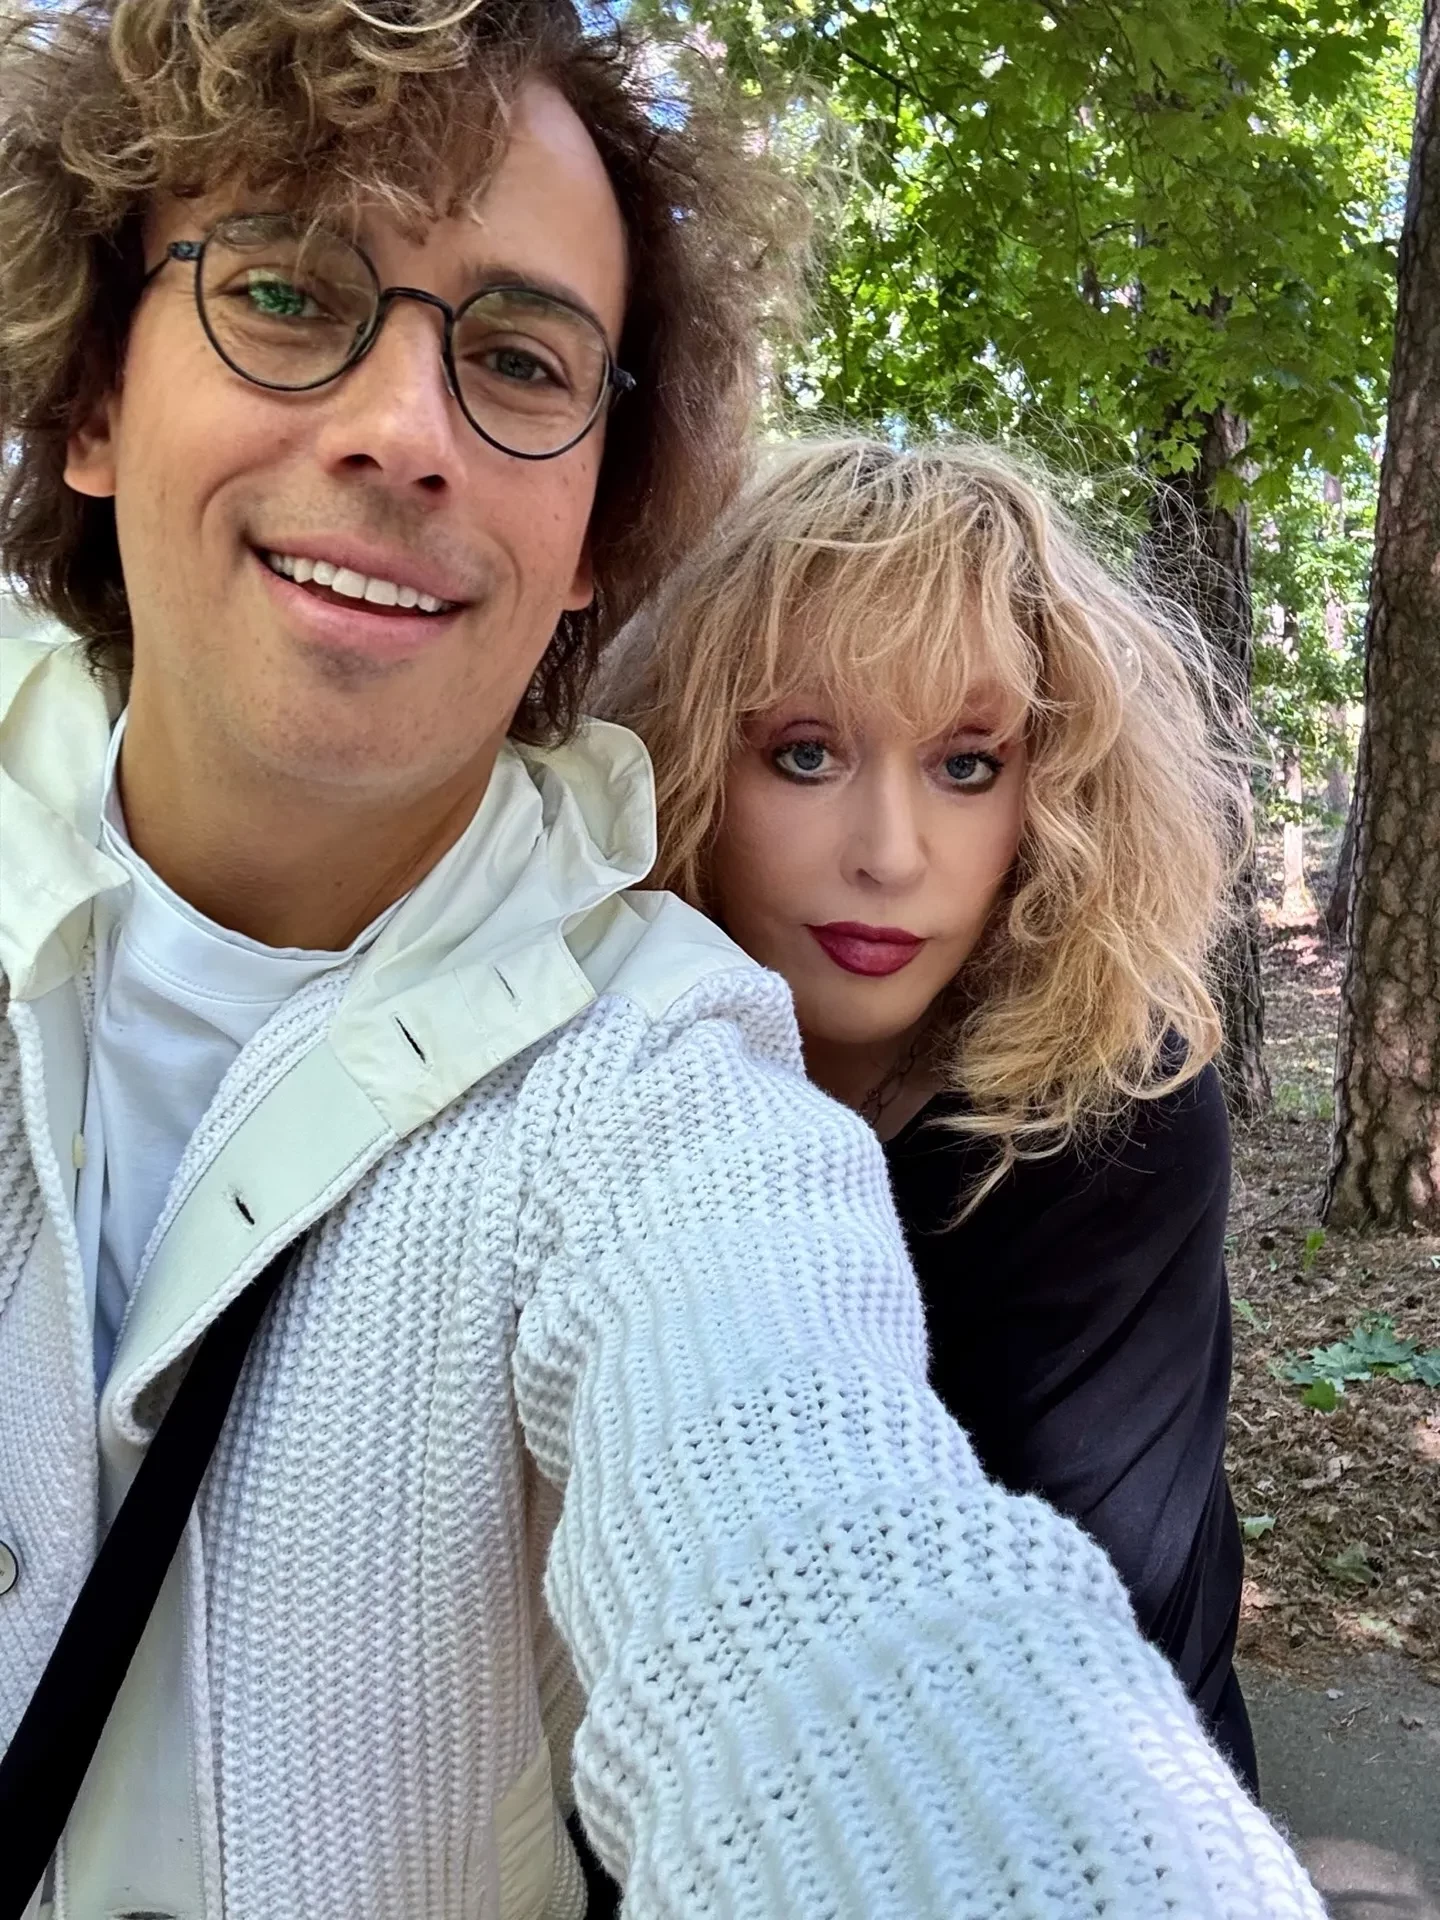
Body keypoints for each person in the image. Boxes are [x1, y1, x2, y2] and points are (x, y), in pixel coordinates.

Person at [0, 2, 1323, 1912]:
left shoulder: (667, 1089)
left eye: (519, 358)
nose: (402, 428)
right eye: (286, 296)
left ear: (598, 527)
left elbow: (849, 1602)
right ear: (89, 402)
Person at [607, 435, 1259, 1791]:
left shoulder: (1113, 1103)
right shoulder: (602, 1079)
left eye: (967, 766)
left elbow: (1074, 1659)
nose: (891, 855)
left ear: (1053, 789)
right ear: (684, 757)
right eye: (804, 753)